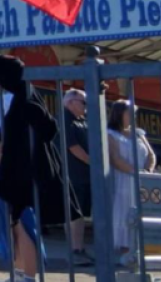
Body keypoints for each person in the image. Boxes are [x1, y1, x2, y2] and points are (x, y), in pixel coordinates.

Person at [0, 52, 76, 282]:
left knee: (21, 222)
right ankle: (21, 273)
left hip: (18, 171)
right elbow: (0, 140)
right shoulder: (9, 99)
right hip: (13, 170)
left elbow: (10, 140)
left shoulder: (13, 100)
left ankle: (27, 275)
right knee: (14, 222)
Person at [107, 101, 155, 267]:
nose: (133, 117)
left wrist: (148, 171)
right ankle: (124, 252)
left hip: (142, 180)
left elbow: (150, 155)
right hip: (122, 180)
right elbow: (114, 159)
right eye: (130, 113)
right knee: (123, 213)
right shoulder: (110, 134)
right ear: (119, 114)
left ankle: (139, 251)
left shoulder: (139, 133)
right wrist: (134, 171)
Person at [62, 88, 95, 267]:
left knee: (81, 215)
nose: (85, 107)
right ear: (70, 102)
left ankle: (80, 248)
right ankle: (74, 250)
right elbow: (73, 148)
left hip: (84, 176)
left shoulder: (81, 121)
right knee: (74, 214)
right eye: (83, 102)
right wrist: (93, 163)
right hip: (72, 175)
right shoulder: (65, 120)